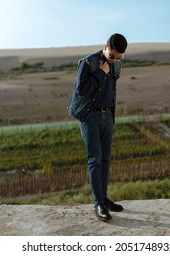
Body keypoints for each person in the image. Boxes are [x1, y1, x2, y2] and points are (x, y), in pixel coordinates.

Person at [67, 33, 128, 221]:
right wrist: (101, 72)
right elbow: (81, 90)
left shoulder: (116, 64)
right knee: (95, 159)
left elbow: (111, 90)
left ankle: (104, 197)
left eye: (119, 57)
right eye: (112, 56)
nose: (115, 60)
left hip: (107, 116)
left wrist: (110, 114)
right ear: (105, 46)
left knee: (105, 160)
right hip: (90, 116)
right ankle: (98, 204)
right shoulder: (88, 63)